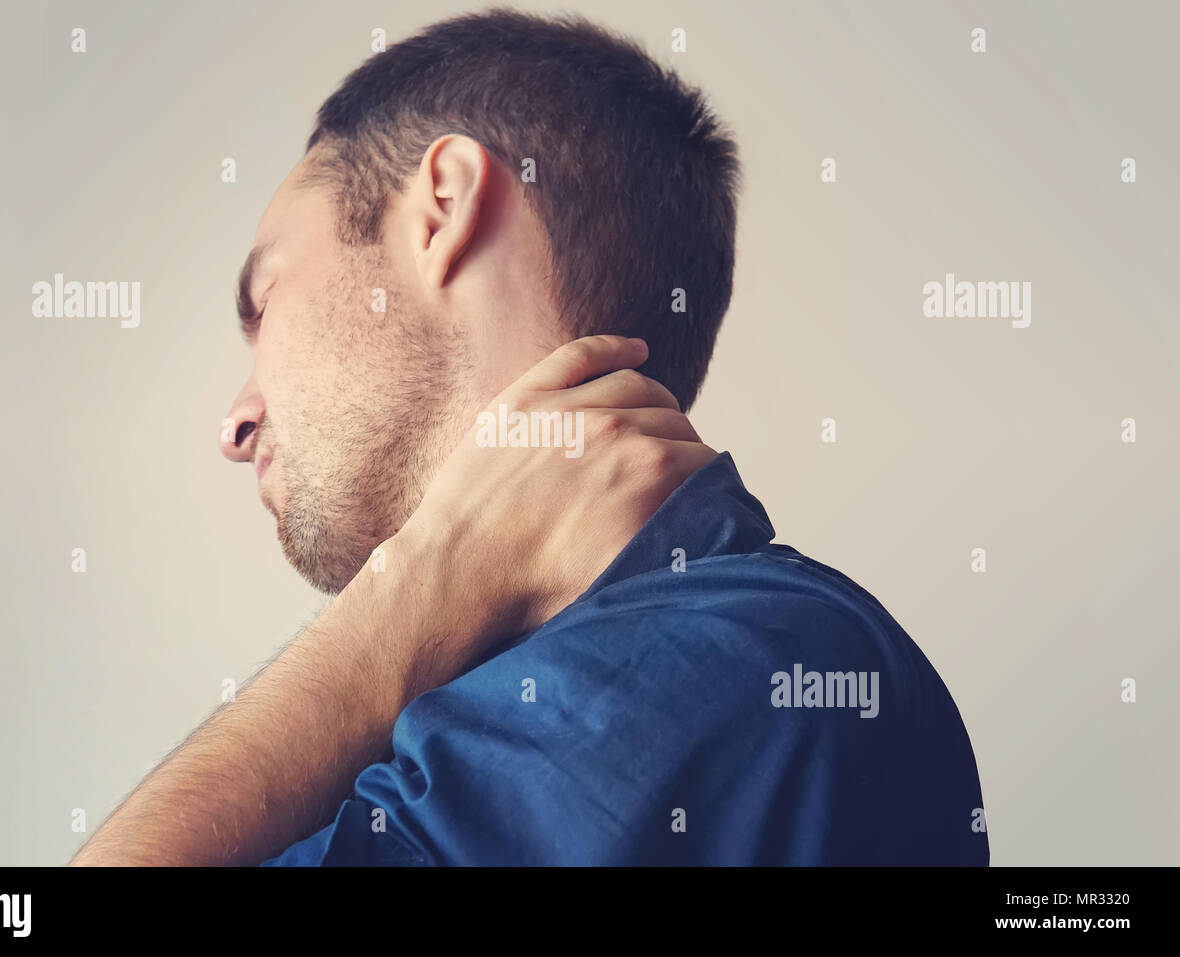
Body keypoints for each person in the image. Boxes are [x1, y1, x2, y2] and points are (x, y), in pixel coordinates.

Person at [71, 9, 987, 866]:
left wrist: (423, 577)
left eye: (263, 298)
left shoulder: (749, 660)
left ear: (444, 206)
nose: (234, 424)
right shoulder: (502, 703)